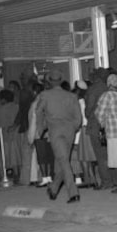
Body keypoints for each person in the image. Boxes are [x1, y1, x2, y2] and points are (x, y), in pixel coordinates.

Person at [36, 67, 82, 203]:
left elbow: (38, 111)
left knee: (63, 161)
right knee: (63, 161)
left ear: (49, 81)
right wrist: (73, 127)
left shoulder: (45, 95)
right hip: (69, 131)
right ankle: (54, 188)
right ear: (61, 81)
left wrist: (41, 127)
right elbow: (78, 117)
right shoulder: (71, 96)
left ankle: (73, 192)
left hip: (55, 130)